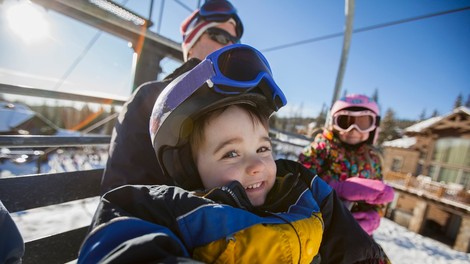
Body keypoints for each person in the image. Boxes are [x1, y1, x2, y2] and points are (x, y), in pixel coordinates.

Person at [78, 44, 390, 263]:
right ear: (189, 166)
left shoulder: (301, 190)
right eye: (230, 153)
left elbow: (356, 250)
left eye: (263, 148)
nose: (257, 165)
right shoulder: (169, 211)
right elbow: (124, 245)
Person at [100, 0, 244, 194]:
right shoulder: (150, 98)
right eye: (219, 36)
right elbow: (123, 190)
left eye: (234, 43)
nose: (229, 47)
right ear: (191, 46)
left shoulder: (241, 105)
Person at [298, 94, 394, 236]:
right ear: (333, 123)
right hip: (319, 227)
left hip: (356, 235)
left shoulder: (373, 160)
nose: (353, 130)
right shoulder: (322, 148)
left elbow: (379, 199)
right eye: (345, 121)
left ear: (373, 127)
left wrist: (374, 216)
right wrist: (335, 187)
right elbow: (298, 178)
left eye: (362, 123)